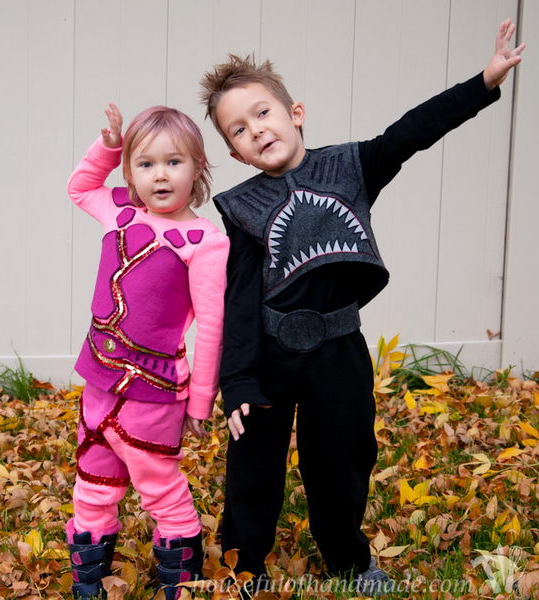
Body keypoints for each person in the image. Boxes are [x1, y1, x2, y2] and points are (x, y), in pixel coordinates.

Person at [199, 19, 524, 597]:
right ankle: (243, 563)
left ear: (294, 111)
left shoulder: (353, 166)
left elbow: (412, 132)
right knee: (253, 469)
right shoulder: (240, 207)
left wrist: (484, 81)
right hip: (269, 354)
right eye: (240, 130)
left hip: (336, 348)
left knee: (343, 460)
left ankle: (348, 559)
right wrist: (239, 381)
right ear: (235, 152)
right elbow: (237, 301)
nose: (257, 130)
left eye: (263, 114)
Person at [65, 104, 230, 600]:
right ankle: (89, 578)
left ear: (198, 167)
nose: (160, 175)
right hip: (98, 382)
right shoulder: (119, 210)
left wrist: (200, 402)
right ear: (130, 172)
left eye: (174, 162)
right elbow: (78, 188)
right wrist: (108, 147)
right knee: (94, 478)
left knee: (158, 483)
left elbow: (213, 328)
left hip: (153, 392)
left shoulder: (205, 242)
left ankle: (178, 578)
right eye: (145, 164)